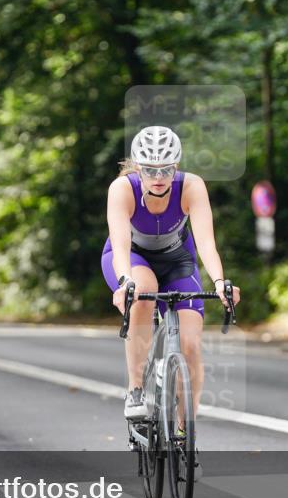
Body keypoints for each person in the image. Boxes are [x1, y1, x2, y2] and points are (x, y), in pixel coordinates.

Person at [101, 126, 240, 475]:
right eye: (150, 169)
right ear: (138, 167)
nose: (159, 177)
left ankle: (184, 433)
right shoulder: (123, 189)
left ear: (176, 165)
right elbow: (119, 245)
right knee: (143, 293)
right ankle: (136, 389)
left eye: (166, 169)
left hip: (179, 259)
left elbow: (206, 242)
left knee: (191, 346)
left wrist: (221, 282)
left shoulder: (191, 186)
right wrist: (124, 283)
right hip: (133, 260)